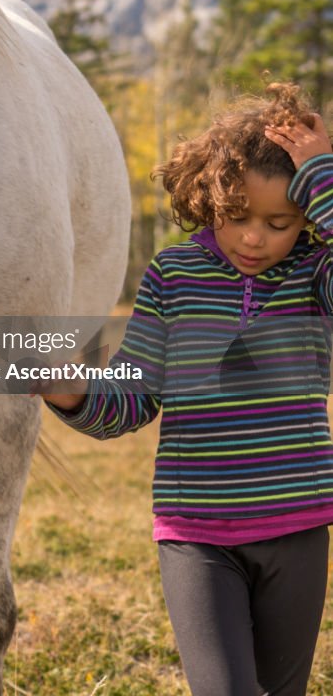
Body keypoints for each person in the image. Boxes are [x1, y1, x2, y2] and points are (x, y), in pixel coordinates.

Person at [39, 82, 333, 696]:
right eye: (238, 217)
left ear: (306, 215)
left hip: (298, 526)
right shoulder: (173, 275)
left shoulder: (313, 273)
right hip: (196, 532)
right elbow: (136, 394)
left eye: (279, 223)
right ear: (212, 198)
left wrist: (321, 174)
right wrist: (72, 393)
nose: (255, 238)